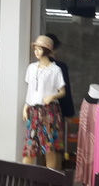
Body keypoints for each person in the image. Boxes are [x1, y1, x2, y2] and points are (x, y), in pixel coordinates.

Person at [22, 35, 66, 169]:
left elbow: (62, 91)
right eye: (35, 48)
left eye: (40, 49)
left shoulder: (55, 70)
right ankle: (23, 182)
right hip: (34, 111)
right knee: (29, 147)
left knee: (49, 148)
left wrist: (52, 97)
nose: (36, 52)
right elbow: (30, 90)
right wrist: (26, 106)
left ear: (47, 50)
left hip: (49, 111)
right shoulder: (31, 68)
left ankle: (49, 183)